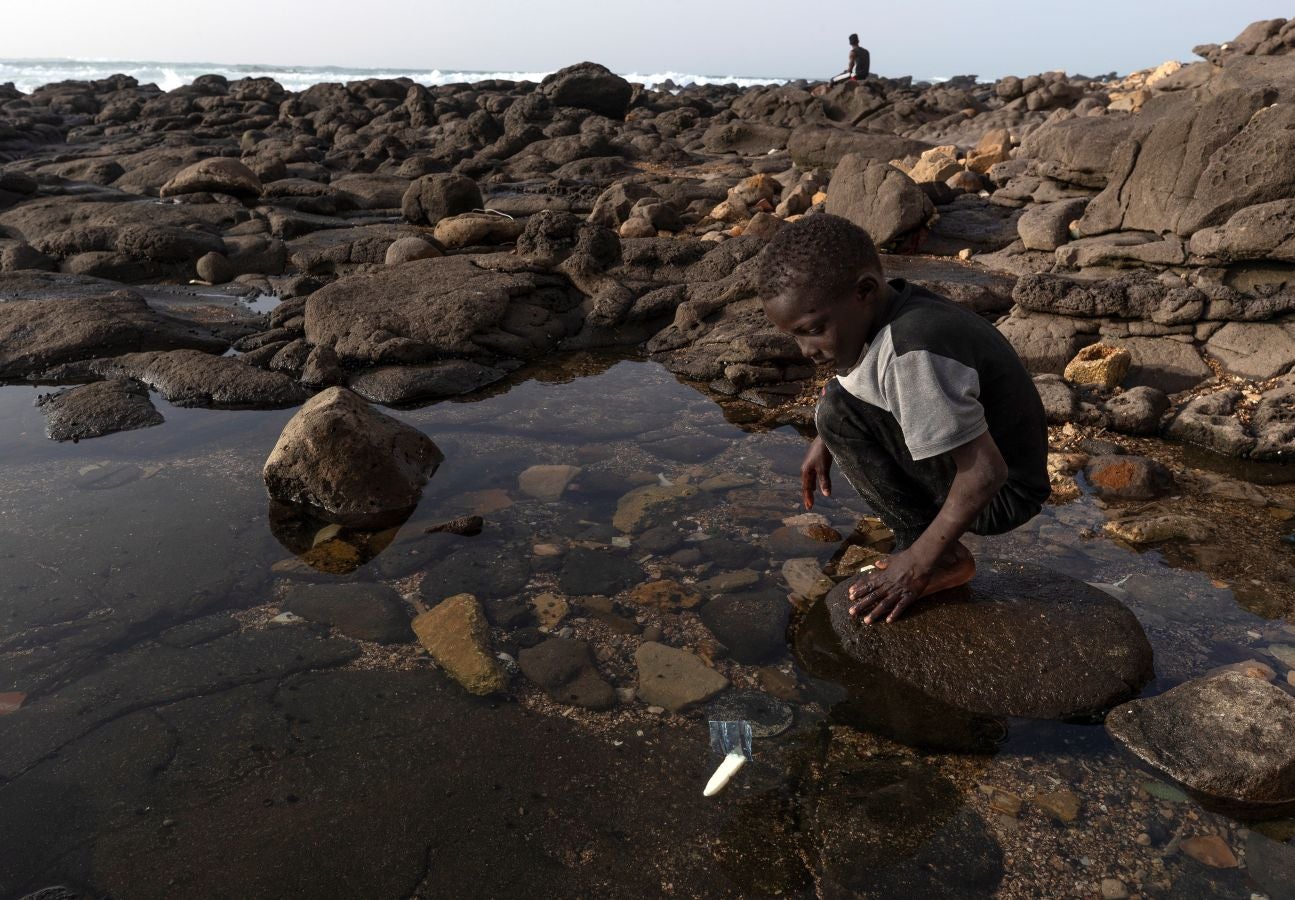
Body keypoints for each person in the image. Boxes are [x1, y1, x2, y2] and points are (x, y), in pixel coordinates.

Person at [756, 215, 1050, 625]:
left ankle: (939, 557)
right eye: (795, 336)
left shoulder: (911, 351)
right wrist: (823, 436)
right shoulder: (893, 310)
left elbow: (984, 472)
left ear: (864, 291)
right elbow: (863, 376)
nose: (806, 350)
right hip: (999, 466)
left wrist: (916, 563)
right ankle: (929, 545)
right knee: (834, 409)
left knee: (837, 413)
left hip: (1003, 494)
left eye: (813, 330)